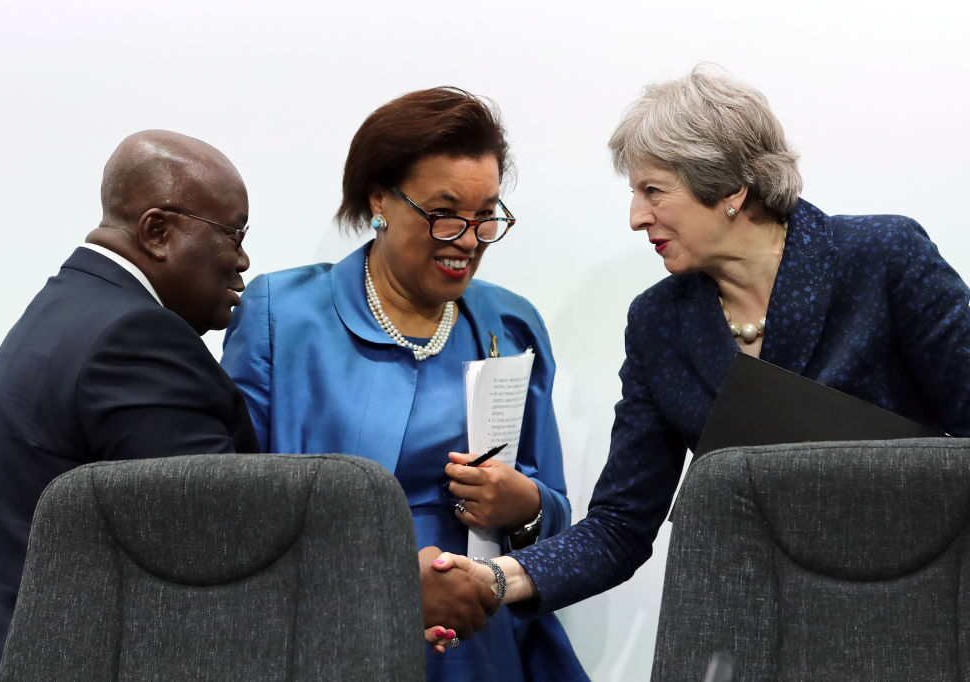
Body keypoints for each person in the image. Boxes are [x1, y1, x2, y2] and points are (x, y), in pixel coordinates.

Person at [432, 64, 970, 619]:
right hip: (755, 621)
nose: (636, 217)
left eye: (653, 191)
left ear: (730, 188)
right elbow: (621, 525)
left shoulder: (884, 257)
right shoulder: (658, 321)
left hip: (918, 607)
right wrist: (497, 577)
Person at [221, 87, 587, 681]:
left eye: (486, 216)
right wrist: (388, 582)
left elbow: (557, 520)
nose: (467, 239)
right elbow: (231, 509)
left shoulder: (510, 323)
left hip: (478, 641)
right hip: (327, 630)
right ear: (380, 200)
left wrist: (524, 507)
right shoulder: (281, 314)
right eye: (445, 213)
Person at [0, 130, 261, 682]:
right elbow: (217, 546)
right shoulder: (136, 338)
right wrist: (381, 586)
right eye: (234, 233)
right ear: (158, 231)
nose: (242, 259)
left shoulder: (64, 311)